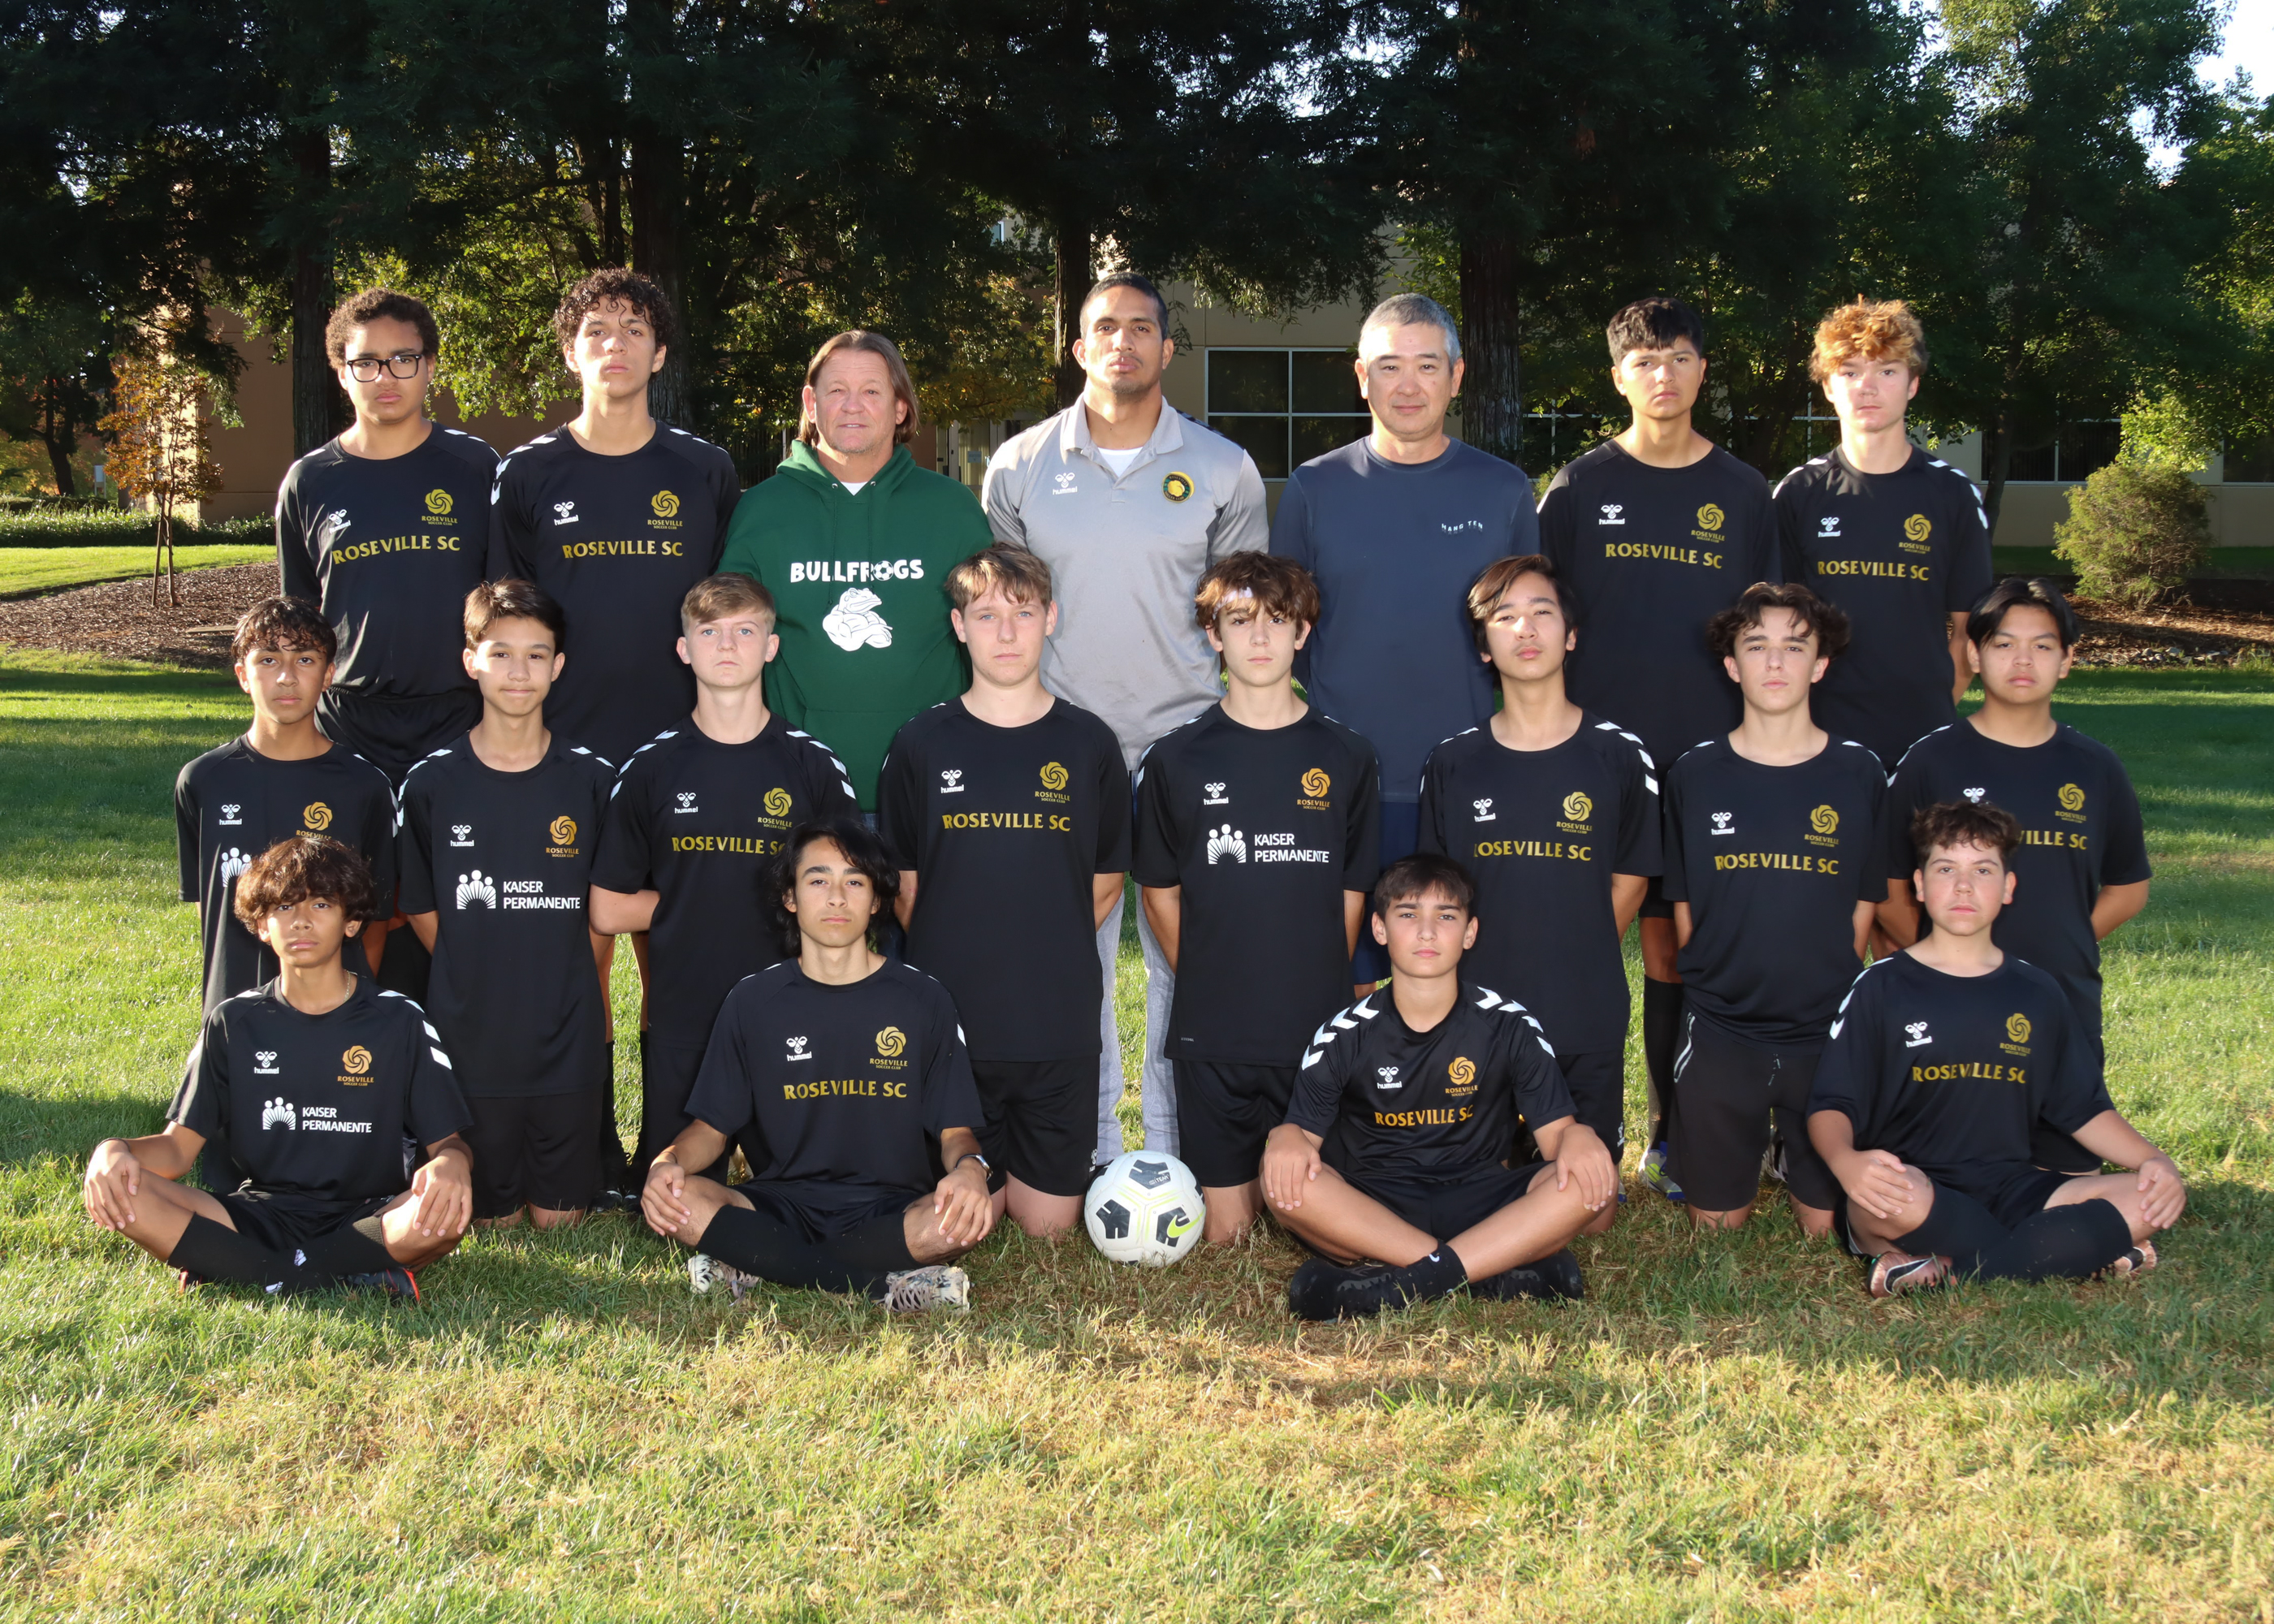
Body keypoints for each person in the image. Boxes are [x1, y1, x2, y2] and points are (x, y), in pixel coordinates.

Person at [981, 272, 1267, 1168]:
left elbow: (1243, 611)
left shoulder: (1222, 466)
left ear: (1167, 348)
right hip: (1063, 745)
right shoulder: (1019, 465)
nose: (1123, 342)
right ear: (1078, 347)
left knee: (1193, 956)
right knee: (1077, 958)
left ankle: (1184, 1147)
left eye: (1142, 328)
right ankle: (1095, 1148)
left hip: (1189, 745)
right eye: (1105, 327)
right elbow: (1006, 610)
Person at [1536, 296, 1779, 1204]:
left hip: (1708, 761)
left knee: (1681, 952)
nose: (1662, 375)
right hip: (1595, 759)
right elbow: (1540, 616)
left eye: (1678, 358)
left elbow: (1767, 630)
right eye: (1643, 361)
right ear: (1618, 377)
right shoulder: (1577, 489)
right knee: (1579, 938)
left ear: (1701, 371)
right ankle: (1555, 1125)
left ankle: (1676, 1133)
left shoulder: (1744, 493)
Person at [1270, 292, 1540, 999]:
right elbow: (1289, 632)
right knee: (1352, 986)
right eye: (1390, 366)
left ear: (1457, 376)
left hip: (1468, 781)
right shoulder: (1314, 488)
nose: (1409, 384)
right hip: (1344, 783)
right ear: (1362, 378)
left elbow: (1526, 640)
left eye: (1427, 365)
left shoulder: (1504, 491)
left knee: (1462, 984)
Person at [1810, 800, 2180, 1294]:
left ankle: (1948, 1273)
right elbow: (1831, 1103)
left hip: (2014, 1187)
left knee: (2146, 1197)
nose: (1963, 886)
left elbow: (2083, 1108)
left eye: (1983, 870)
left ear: (2008, 887)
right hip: (1912, 1185)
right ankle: (2067, 1252)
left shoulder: (2037, 991)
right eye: (1946, 869)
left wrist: (2156, 1161)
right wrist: (1847, 1163)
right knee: (1890, 1198)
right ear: (1919, 885)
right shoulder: (1880, 986)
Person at [80, 835, 473, 1299]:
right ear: (262, 926)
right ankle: (344, 1270)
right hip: (257, 1212)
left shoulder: (399, 1018)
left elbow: (449, 1143)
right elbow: (176, 1151)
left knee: (444, 1212)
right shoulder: (234, 1021)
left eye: (322, 904)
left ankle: (238, 1266)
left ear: (351, 922)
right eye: (284, 907)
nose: (301, 920)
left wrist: (452, 1164)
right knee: (127, 1190)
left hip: (369, 1214)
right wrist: (112, 1150)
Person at [639, 818, 992, 1313]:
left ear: (876, 900)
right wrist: (667, 1163)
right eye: (818, 880)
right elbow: (711, 1131)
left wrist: (972, 1171)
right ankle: (878, 1286)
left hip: (891, 1207)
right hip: (779, 1204)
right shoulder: (752, 1001)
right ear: (790, 897)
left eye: (855, 882)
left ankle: (756, 1261)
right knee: (682, 1200)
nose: (837, 898)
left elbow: (956, 1133)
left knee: (956, 1221)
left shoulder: (924, 999)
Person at [878, 545, 1131, 1237]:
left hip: (1056, 1020)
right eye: (987, 615)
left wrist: (1043, 946)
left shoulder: (1089, 743)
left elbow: (1107, 881)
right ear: (959, 626)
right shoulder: (921, 743)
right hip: (956, 1024)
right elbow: (907, 889)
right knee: (958, 1221)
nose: (1007, 632)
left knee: (1048, 1227)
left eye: (1024, 612)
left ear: (1052, 618)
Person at [1133, 552, 1380, 1244]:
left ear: (1304, 631)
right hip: (1214, 1035)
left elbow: (1351, 894)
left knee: (1315, 1223)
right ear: (1214, 635)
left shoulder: (1348, 756)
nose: (1261, 637)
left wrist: (1316, 984)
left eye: (1278, 619)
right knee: (1229, 1235)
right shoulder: (1175, 758)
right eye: (1241, 621)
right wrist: (1208, 981)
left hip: (1313, 1030)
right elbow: (1159, 895)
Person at [1261, 854, 1617, 1320]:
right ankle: (1485, 1269)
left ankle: (1406, 1282)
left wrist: (1580, 1136)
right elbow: (1301, 1139)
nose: (1427, 932)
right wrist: (1285, 1137)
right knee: (1283, 1178)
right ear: (1380, 928)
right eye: (1408, 914)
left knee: (1586, 1181)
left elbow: (1558, 1139)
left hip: (1484, 1199)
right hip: (1378, 1207)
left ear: (1470, 932)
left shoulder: (1509, 1024)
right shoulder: (1344, 1033)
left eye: (1446, 917)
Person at [591, 574, 860, 1177]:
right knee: (674, 1197)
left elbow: (852, 896)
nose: (728, 645)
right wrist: (711, 901)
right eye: (710, 632)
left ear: (771, 646)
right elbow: (608, 909)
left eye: (745, 631)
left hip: (793, 1011)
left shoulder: (812, 765)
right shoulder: (651, 768)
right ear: (684, 649)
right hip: (684, 1013)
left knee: (812, 1193)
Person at [1416, 555, 1659, 1222]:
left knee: (1592, 1214)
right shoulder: (1452, 761)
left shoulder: (1619, 755)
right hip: (1478, 1020)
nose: (1525, 629)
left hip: (1584, 1007)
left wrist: (1576, 950)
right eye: (1505, 617)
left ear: (1571, 635)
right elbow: (1440, 897)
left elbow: (1631, 877)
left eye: (1542, 613)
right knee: (1472, 1202)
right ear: (1484, 646)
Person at [1879, 577, 2151, 1171]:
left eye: (2042, 646)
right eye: (2003, 644)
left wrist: (2065, 940)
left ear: (2068, 660)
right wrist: (1947, 956)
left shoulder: (2096, 767)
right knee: (1941, 1176)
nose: (2022, 660)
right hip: (1948, 1004)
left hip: (2061, 997)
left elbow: (2129, 887)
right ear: (1974, 655)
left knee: (2068, 1177)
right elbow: (1889, 889)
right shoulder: (1931, 760)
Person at [1659, 581, 1885, 1233]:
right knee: (1716, 1226)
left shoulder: (1859, 772)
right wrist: (1713, 983)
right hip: (1723, 1028)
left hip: (1823, 1028)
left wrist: (1830, 980)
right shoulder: (1694, 774)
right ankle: (1742, 1136)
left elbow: (1864, 900)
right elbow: (1684, 904)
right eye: (1757, 646)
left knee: (1830, 1227)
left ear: (1821, 664)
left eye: (1795, 646)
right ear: (1732, 665)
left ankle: (1796, 1145)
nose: (1776, 662)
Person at [397, 580, 616, 1229]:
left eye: (536, 655)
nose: (519, 673)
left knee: (557, 1221)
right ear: (471, 661)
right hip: (471, 1038)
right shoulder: (431, 784)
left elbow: (603, 913)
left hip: (566, 1036)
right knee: (493, 1222)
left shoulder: (594, 781)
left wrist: (570, 979)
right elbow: (421, 908)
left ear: (559, 666)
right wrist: (470, 966)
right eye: (500, 654)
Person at [717, 330, 994, 813]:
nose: (852, 406)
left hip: (932, 787)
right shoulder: (761, 511)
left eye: (871, 391)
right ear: (811, 403)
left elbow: (992, 640)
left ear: (900, 407)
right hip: (795, 788)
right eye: (836, 391)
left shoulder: (951, 509)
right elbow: (728, 647)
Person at [488, 268, 741, 768]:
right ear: (570, 354)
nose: (615, 345)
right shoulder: (525, 472)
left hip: (686, 738)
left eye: (634, 330)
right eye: (597, 330)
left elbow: (729, 607)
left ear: (659, 355)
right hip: (560, 741)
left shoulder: (706, 469)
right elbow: (508, 616)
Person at [276, 287, 497, 787]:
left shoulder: (477, 467)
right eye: (366, 363)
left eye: (403, 359)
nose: (385, 377)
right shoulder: (309, 482)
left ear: (430, 366)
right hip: (347, 720)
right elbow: (299, 616)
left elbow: (508, 600)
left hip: (462, 716)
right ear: (342, 373)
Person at [1774, 300, 1993, 773]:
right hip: (1815, 738)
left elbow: (1968, 634)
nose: (1867, 387)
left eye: (1887, 371)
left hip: (1921, 739)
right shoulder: (1798, 493)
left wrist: (1932, 715)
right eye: (1850, 372)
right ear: (1828, 388)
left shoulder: (1952, 494)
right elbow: (1774, 626)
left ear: (1913, 385)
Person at [176, 598, 398, 1017]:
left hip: (336, 1017)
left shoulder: (365, 785)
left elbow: (378, 917)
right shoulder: (203, 780)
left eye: (305, 660)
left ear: (329, 674)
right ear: (243, 675)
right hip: (234, 1014)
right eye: (268, 660)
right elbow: (209, 907)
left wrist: (353, 1001)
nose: (287, 677)